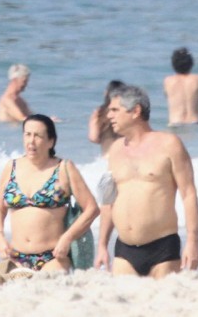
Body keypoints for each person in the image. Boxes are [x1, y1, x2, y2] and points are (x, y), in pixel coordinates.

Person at [103, 84, 198, 278]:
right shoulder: (114, 150)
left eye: (114, 110)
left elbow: (188, 194)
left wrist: (193, 242)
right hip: (124, 250)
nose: (109, 115)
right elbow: (108, 200)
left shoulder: (169, 144)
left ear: (135, 111)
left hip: (162, 248)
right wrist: (102, 246)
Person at [0, 114, 98, 272]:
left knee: (47, 284)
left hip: (53, 257)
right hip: (16, 256)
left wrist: (67, 238)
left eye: (38, 136)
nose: (31, 141)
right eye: (27, 134)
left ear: (51, 141)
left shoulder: (64, 168)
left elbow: (92, 209)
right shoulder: (11, 167)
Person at [87, 80, 125, 269]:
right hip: (124, 164)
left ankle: (103, 248)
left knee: (107, 207)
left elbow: (93, 137)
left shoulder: (100, 113)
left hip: (105, 164)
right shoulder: (125, 114)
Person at [163, 47, 198, 125]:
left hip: (175, 123)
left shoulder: (168, 81)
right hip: (194, 122)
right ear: (191, 64)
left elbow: (167, 96)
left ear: (173, 64)